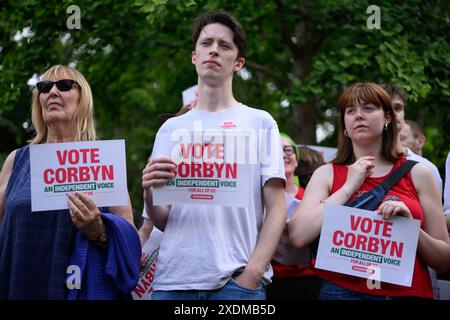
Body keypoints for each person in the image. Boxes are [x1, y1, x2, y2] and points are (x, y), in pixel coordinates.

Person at [141, 10, 286, 300]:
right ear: (194, 55)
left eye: (224, 45)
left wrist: (253, 273)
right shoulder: (171, 129)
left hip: (236, 283)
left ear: (238, 62)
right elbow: (162, 220)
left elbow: (277, 208)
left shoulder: (260, 122)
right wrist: (148, 193)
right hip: (173, 283)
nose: (214, 51)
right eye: (206, 43)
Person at [288, 82, 450, 299]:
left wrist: (411, 230)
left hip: (406, 293)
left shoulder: (420, 173)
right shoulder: (326, 174)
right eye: (350, 110)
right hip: (341, 292)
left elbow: (444, 260)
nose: (359, 116)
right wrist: (348, 187)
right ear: (344, 124)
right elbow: (299, 235)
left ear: (387, 118)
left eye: (368, 108)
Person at [0, 65, 138, 299]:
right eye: (45, 87)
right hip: (19, 286)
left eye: (63, 86)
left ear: (82, 99)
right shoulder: (17, 160)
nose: (52, 92)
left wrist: (98, 230)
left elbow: (129, 240)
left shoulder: (103, 159)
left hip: (77, 290)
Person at [267, 134, 322, 300]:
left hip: (311, 280)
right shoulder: (257, 199)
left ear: (296, 160)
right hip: (271, 280)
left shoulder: (312, 197)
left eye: (288, 150)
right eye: (276, 151)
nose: (283, 155)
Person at [381, 84, 442, 195]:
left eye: (397, 108)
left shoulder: (427, 168)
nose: (393, 113)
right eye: (386, 108)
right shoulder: (357, 164)